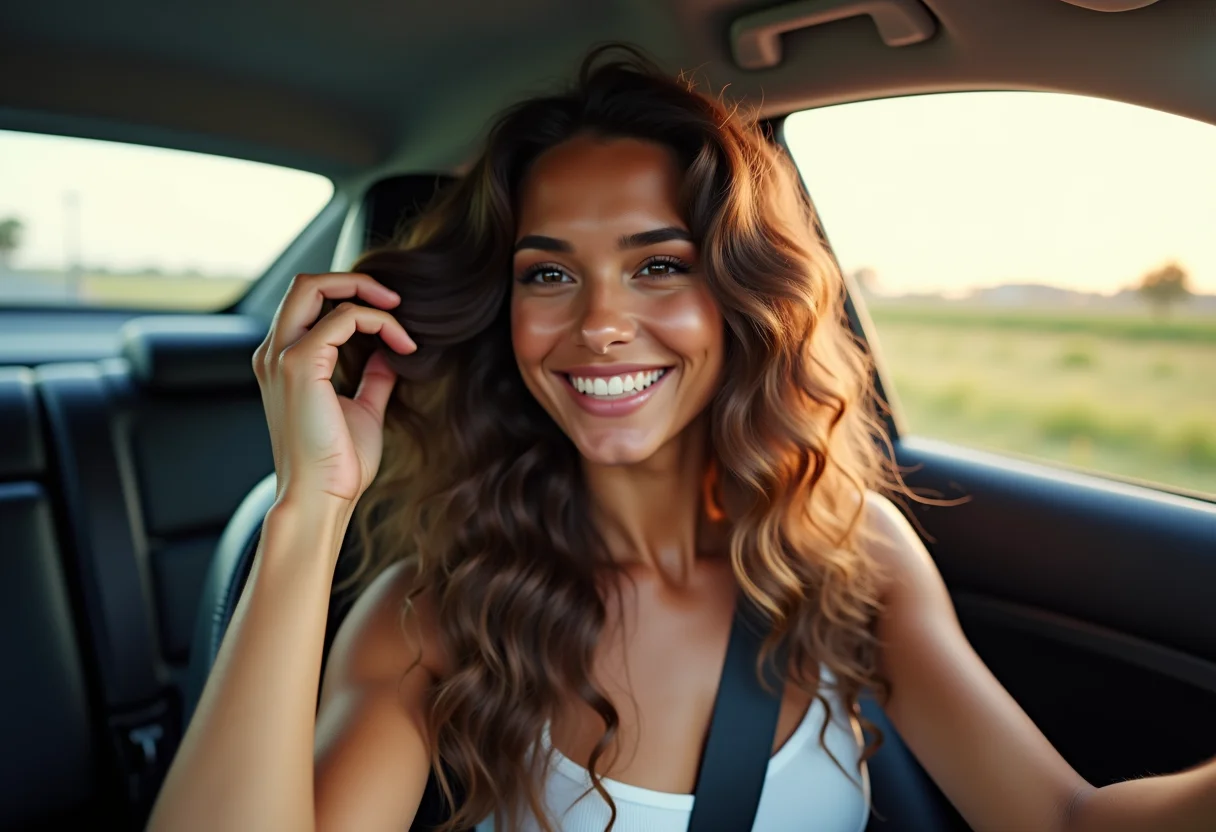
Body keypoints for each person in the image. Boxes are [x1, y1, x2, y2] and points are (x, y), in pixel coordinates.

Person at [148, 46, 1216, 832]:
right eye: (548, 273)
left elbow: (1064, 821)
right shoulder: (436, 614)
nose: (601, 322)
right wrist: (311, 503)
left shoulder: (851, 552)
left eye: (660, 264)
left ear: (742, 299)